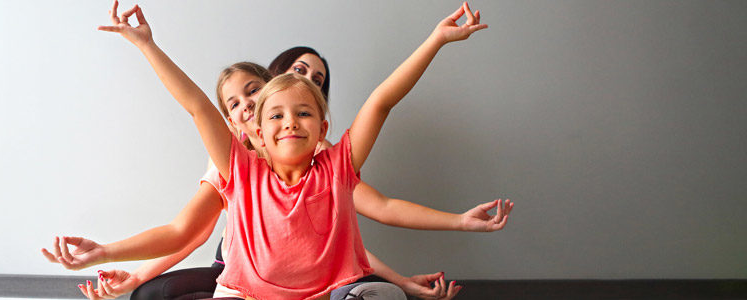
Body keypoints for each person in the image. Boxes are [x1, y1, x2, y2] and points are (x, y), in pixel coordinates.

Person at [43, 1, 508, 299]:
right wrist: (146, 45)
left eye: (304, 112)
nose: (290, 122)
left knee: (378, 296)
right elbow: (196, 111)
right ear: (254, 130)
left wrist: (436, 40)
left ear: (323, 125)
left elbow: (382, 104)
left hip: (326, 290)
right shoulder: (237, 169)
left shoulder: (336, 164)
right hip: (245, 288)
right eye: (276, 115)